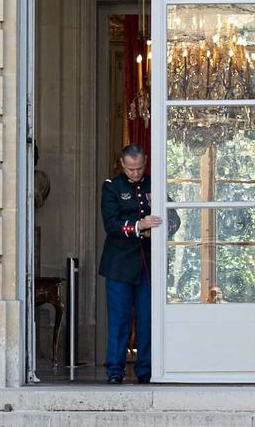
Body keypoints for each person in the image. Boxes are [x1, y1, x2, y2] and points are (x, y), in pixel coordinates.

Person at [99, 144, 178, 384]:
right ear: (122, 165)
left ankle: (147, 370)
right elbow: (111, 225)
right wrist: (139, 225)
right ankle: (115, 370)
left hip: (147, 264)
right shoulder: (112, 187)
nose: (136, 173)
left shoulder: (155, 184)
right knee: (119, 320)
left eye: (140, 168)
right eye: (131, 169)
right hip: (119, 264)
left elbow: (174, 218)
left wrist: (161, 230)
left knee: (147, 320)